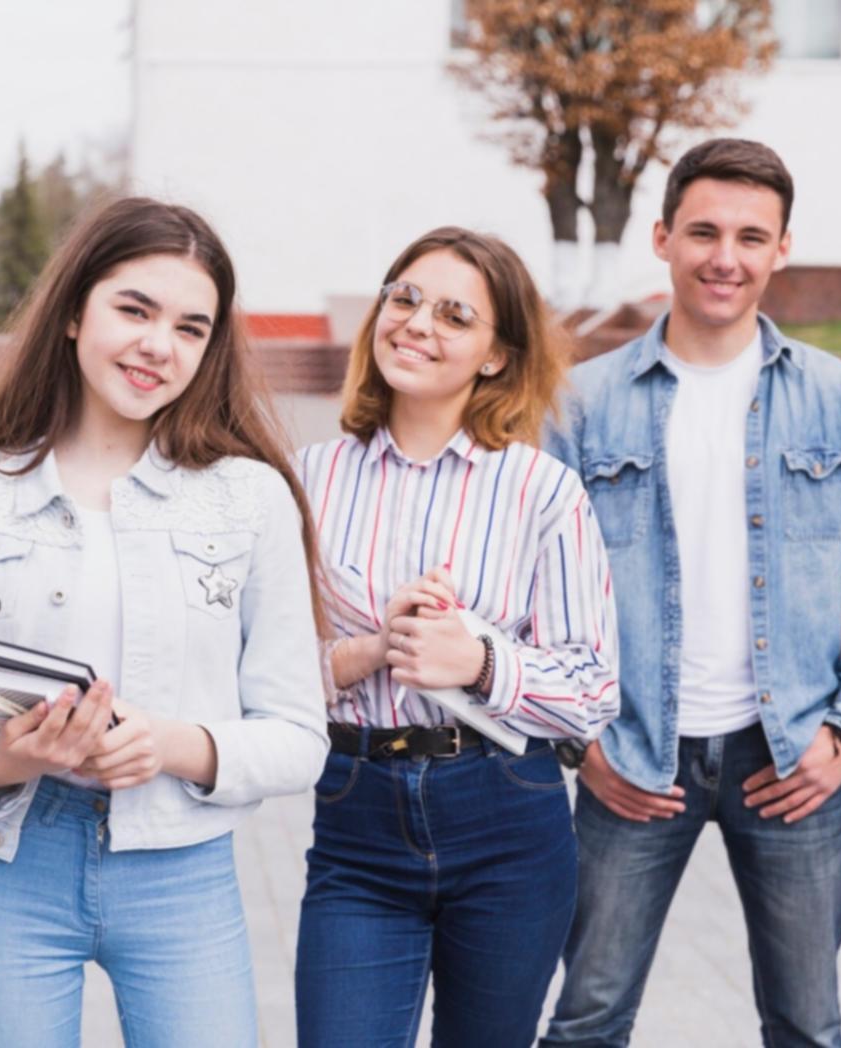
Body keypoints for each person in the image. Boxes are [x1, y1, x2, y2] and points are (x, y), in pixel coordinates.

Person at [0, 196, 328, 1048]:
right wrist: (7, 760)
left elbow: (298, 735)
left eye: (191, 327)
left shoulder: (250, 498)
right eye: (134, 309)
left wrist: (167, 745)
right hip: (6, 869)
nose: (159, 345)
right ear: (72, 314)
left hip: (180, 874)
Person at [540, 139, 841, 1047]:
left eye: (750, 236)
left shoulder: (836, 397)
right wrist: (577, 743)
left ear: (781, 248)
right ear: (662, 237)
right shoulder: (580, 405)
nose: (724, 257)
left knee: (807, 1026)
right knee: (585, 1020)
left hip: (788, 760)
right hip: (631, 754)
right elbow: (534, 593)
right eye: (702, 231)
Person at [292, 227, 620, 1048]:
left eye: (452, 314)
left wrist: (476, 660)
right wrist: (374, 649)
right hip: (355, 809)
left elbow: (591, 691)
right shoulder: (306, 480)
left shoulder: (543, 491)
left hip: (506, 816)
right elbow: (256, 673)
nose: (415, 324)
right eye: (402, 298)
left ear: (495, 356)